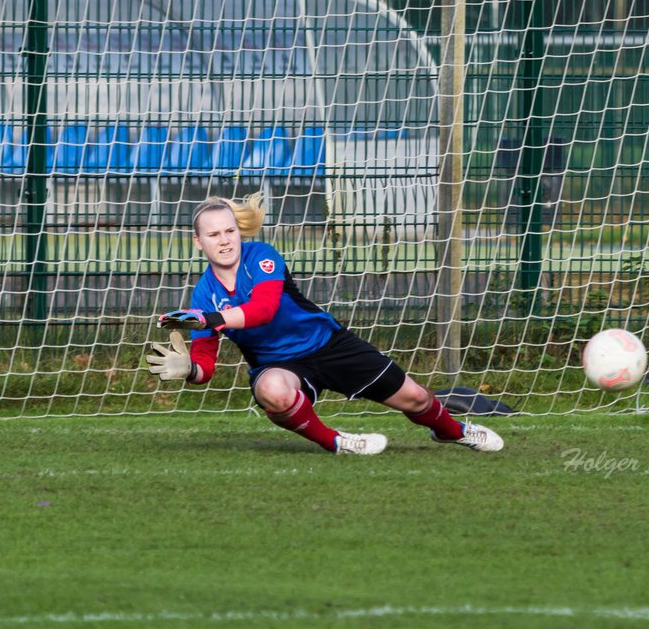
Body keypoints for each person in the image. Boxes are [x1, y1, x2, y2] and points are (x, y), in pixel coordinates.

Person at [146, 193, 504, 455]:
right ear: (198, 242)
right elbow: (205, 368)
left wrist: (209, 319)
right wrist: (189, 369)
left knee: (415, 399)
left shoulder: (263, 257)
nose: (224, 240)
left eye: (229, 231)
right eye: (213, 235)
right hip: (278, 364)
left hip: (328, 345)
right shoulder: (203, 294)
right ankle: (338, 442)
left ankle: (453, 431)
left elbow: (263, 310)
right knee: (272, 392)